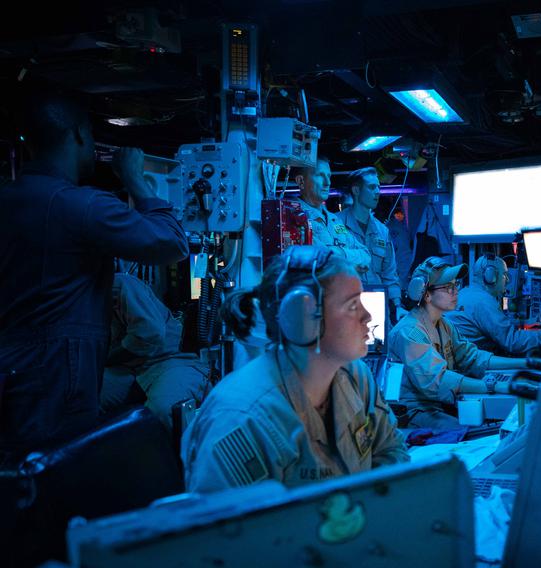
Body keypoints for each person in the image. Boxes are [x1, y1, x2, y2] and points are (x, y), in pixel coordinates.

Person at [0, 92, 188, 452]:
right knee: (61, 472)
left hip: (12, 366)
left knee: (18, 473)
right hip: (59, 370)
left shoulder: (7, 200)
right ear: (78, 136)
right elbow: (171, 244)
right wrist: (135, 180)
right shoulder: (82, 206)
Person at [182, 245, 408, 492]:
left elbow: (391, 450)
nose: (367, 316)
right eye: (353, 305)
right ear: (301, 317)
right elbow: (234, 528)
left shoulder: (356, 376)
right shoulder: (241, 419)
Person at [387, 257, 526, 430]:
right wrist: (494, 386)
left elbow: (473, 358)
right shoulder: (409, 332)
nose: (455, 292)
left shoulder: (443, 324)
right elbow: (438, 381)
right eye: (447, 287)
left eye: (455, 285)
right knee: (475, 433)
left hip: (440, 405)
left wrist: (525, 363)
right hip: (416, 412)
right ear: (426, 294)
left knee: (493, 425)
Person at [100, 272, 211, 432]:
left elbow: (149, 334)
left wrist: (105, 359)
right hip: (128, 368)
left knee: (163, 410)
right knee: (78, 397)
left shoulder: (120, 285)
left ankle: (174, 456)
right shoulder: (77, 301)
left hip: (169, 362)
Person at [336, 167, 406, 321]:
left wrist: (398, 305)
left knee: (380, 345)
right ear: (356, 190)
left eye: (379, 187)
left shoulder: (382, 231)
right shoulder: (335, 225)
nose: (377, 192)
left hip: (376, 306)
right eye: (372, 187)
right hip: (346, 305)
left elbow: (390, 273)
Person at [446, 254, 541, 355]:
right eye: (505, 275)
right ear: (491, 276)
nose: (508, 280)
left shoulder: (464, 293)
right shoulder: (483, 301)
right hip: (472, 365)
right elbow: (512, 342)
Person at [294, 158, 372, 273]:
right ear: (301, 181)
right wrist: (350, 262)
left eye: (329, 176)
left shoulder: (334, 220)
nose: (327, 182)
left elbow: (365, 255)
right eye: (320, 175)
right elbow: (323, 258)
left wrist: (340, 252)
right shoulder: (294, 217)